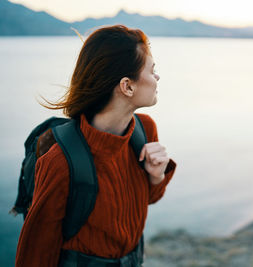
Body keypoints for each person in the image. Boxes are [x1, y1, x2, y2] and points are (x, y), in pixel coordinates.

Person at [15, 24, 177, 266]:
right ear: (127, 86)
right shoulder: (60, 161)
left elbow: (144, 200)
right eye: (152, 70)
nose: (157, 77)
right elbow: (35, 255)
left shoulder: (145, 130)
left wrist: (156, 177)